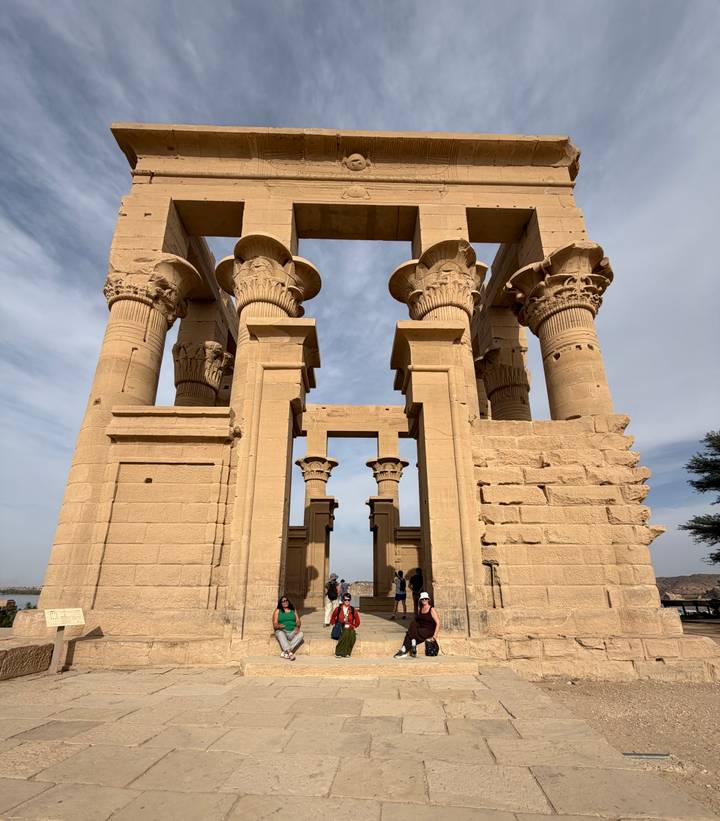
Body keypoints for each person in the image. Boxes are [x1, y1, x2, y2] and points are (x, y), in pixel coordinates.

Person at [394, 591, 439, 658]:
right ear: (420, 600)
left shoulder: (431, 609)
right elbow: (418, 620)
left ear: (428, 600)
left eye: (425, 599)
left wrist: (435, 635)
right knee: (413, 624)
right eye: (422, 599)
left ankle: (405, 649)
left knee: (410, 634)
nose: (424, 600)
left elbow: (438, 622)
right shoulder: (420, 609)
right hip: (422, 627)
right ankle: (408, 646)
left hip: (429, 630)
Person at [272, 595, 303, 661]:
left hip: (292, 631)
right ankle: (289, 653)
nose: (285, 602)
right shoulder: (278, 611)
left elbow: (298, 621)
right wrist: (279, 626)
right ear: (281, 603)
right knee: (279, 633)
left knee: (301, 634)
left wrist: (297, 627)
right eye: (283, 601)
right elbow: (275, 624)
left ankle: (285, 652)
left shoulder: (293, 610)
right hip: (282, 631)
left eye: (286, 601)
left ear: (288, 602)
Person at [330, 592, 360, 657]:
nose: (347, 601)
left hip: (350, 626)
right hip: (340, 626)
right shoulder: (338, 609)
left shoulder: (352, 609)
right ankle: (339, 652)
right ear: (343, 600)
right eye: (345, 599)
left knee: (352, 636)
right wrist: (334, 624)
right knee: (346, 632)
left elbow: (357, 621)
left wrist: (354, 626)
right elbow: (332, 617)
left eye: (348, 600)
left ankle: (347, 652)